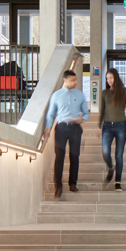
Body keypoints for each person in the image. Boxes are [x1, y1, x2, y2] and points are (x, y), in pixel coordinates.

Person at [44, 69, 89, 199]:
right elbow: (51, 113)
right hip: (61, 128)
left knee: (75, 156)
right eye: (73, 80)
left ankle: (73, 183)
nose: (75, 82)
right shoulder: (56, 95)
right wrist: (48, 127)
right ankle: (58, 186)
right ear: (65, 80)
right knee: (59, 157)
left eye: (76, 80)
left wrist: (83, 119)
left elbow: (86, 113)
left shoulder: (80, 95)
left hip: (75, 128)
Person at [99, 66, 126, 192]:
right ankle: (110, 167)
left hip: (121, 126)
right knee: (105, 152)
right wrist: (99, 126)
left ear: (116, 78)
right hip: (107, 126)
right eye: (107, 78)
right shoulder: (104, 93)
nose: (109, 80)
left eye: (111, 78)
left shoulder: (124, 92)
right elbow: (102, 111)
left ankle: (118, 182)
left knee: (119, 155)